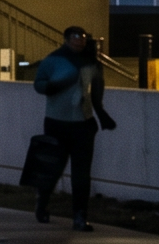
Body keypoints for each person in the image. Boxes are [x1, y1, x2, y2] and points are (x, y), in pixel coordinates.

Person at [32, 26, 117, 230]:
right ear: (66, 39)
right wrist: (53, 86)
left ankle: (80, 215)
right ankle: (42, 203)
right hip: (57, 122)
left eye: (83, 37)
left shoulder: (91, 63)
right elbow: (38, 84)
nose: (80, 41)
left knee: (82, 173)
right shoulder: (53, 60)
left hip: (83, 124)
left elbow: (97, 92)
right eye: (76, 37)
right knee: (53, 168)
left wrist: (101, 115)